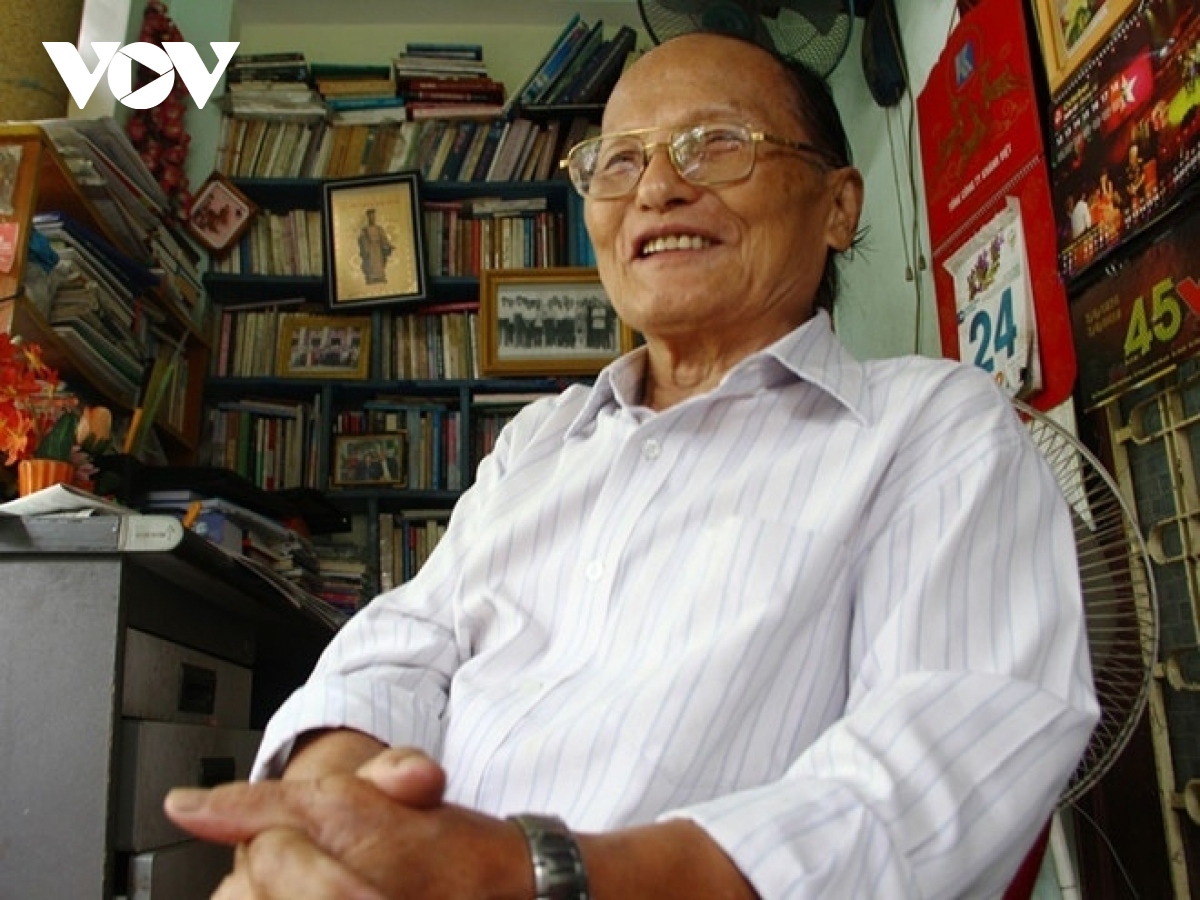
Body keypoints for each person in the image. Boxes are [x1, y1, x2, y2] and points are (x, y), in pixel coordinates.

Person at [165, 31, 1098, 899]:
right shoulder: (540, 441)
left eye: (715, 143)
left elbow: (944, 754)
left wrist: (532, 873)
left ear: (838, 206)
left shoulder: (931, 428)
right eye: (619, 161)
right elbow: (405, 642)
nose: (655, 188)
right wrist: (322, 814)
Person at [358, 208, 393, 284]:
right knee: (371, 263)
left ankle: (380, 277)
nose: (372, 219)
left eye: (373, 217)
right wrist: (366, 248)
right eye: (370, 217)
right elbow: (361, 239)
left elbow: (384, 238)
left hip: (378, 249)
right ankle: (372, 277)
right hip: (370, 249)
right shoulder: (364, 230)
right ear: (368, 218)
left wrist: (388, 246)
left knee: (379, 263)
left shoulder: (379, 228)